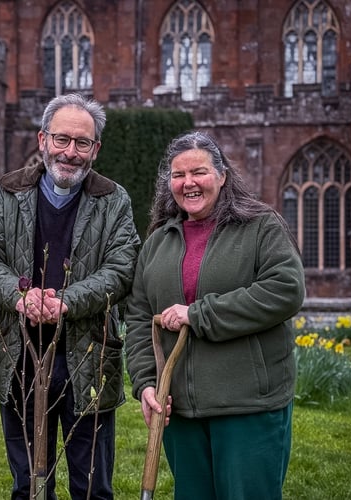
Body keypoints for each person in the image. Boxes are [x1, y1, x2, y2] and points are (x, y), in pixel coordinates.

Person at [0, 93, 140, 500]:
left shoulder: (113, 201)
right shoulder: (8, 192)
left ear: (95, 149)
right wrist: (21, 297)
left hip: (88, 358)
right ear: (42, 139)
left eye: (82, 143)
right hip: (19, 357)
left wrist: (65, 300)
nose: (71, 152)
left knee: (92, 488)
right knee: (29, 485)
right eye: (62, 139)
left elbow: (121, 270)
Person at [124, 131, 305, 500]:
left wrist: (198, 314)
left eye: (199, 172)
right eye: (178, 175)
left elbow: (285, 290)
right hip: (181, 412)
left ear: (222, 176)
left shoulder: (260, 227)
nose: (188, 182)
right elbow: (142, 318)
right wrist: (146, 383)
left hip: (247, 405)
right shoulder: (158, 241)